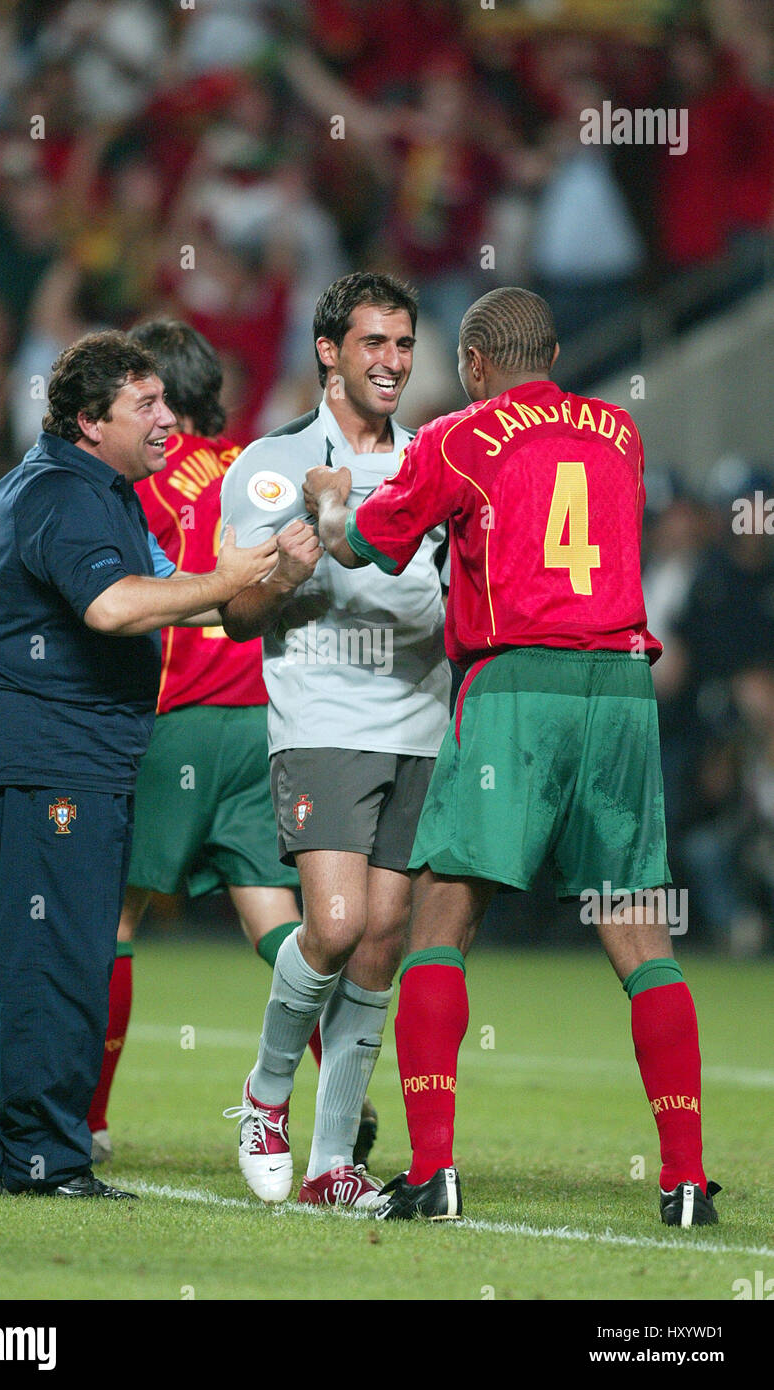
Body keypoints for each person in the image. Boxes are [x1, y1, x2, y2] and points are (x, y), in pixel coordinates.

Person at [304, 285, 720, 1227]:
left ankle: (435, 1172)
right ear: (557, 352)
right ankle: (686, 1179)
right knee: (642, 942)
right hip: (618, 689)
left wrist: (332, 507)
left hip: (513, 688)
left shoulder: (460, 434)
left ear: (477, 364)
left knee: (438, 927)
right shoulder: (617, 431)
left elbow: (369, 545)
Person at [0, 330, 276, 1200]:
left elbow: (181, 596)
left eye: (166, 400)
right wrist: (221, 580)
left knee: (31, 953)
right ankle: (48, 1160)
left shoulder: (101, 491)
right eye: (148, 406)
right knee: (63, 957)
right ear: (91, 421)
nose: (171, 419)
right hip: (46, 752)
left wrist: (265, 581)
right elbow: (116, 605)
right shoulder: (65, 493)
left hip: (56, 750)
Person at [220, 271, 450, 1208]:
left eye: (402, 344)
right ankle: (265, 1092)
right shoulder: (269, 465)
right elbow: (235, 614)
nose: (392, 363)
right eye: (372, 344)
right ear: (328, 351)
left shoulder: (434, 457)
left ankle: (329, 1169)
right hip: (321, 715)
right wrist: (282, 575)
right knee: (338, 924)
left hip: (421, 715)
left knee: (382, 941)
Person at [87, 319, 320, 1164]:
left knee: (113, 920)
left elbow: (128, 599)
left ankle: (90, 1121)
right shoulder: (260, 471)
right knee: (282, 925)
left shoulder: (143, 482)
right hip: (264, 722)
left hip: (174, 718)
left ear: (165, 405)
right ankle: (337, 1111)